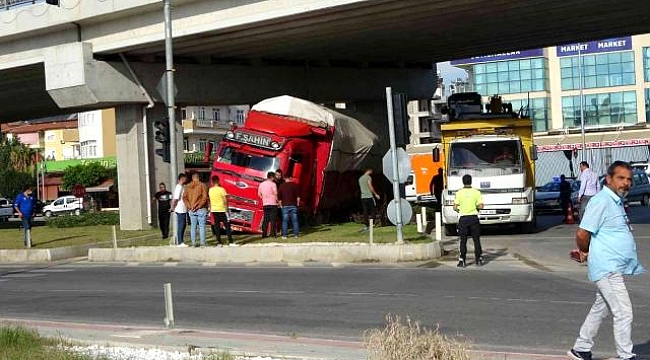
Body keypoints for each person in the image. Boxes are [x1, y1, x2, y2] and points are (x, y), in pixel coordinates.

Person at [568, 161, 645, 360]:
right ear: (609, 179)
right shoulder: (601, 200)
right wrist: (584, 251)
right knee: (624, 311)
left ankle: (581, 348)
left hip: (612, 266)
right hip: (607, 267)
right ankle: (625, 355)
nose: (626, 183)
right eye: (621, 178)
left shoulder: (615, 201)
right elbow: (583, 233)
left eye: (629, 179)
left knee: (600, 308)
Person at [454, 174, 484, 267]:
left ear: (463, 182)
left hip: (463, 218)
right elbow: (481, 206)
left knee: (463, 240)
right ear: (471, 181)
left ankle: (462, 260)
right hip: (474, 218)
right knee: (476, 240)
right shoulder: (477, 192)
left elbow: (455, 207)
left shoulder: (459, 193)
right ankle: (478, 259)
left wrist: (460, 210)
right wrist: (476, 208)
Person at [183, 172, 209, 247]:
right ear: (198, 177)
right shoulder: (202, 185)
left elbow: (184, 198)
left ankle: (193, 243)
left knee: (193, 227)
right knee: (202, 226)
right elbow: (204, 198)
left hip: (191, 209)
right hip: (201, 208)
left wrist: (190, 206)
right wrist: (198, 206)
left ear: (192, 178)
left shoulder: (187, 186)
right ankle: (202, 243)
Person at [208, 175, 233, 246]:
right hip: (222, 209)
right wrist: (227, 208)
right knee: (227, 225)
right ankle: (230, 241)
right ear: (218, 181)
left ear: (212, 182)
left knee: (217, 226)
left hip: (214, 210)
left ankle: (219, 242)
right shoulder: (222, 189)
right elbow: (225, 200)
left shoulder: (210, 190)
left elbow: (210, 199)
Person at [278, 174, 300, 239]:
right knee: (295, 221)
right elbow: (298, 197)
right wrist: (297, 204)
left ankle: (285, 235)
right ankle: (296, 235)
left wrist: (280, 205)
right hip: (293, 205)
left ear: (284, 178)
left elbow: (279, 197)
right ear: (290, 178)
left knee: (285, 221)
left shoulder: (281, 186)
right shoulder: (295, 185)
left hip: (285, 205)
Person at [358, 167, 380, 232]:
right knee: (373, 210)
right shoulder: (368, 177)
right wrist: (376, 194)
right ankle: (371, 223)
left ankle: (366, 224)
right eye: (371, 171)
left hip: (363, 196)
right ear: (369, 171)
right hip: (369, 196)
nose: (372, 172)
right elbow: (370, 187)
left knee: (365, 211)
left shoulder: (360, 178)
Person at [170, 173, 189, 247]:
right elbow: (176, 199)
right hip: (180, 209)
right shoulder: (179, 187)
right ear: (182, 179)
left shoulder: (181, 187)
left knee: (183, 225)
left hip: (183, 209)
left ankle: (181, 241)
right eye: (185, 178)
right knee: (181, 225)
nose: (186, 180)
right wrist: (172, 207)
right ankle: (180, 242)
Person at [258, 171, 278, 238]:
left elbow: (259, 194)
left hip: (265, 203)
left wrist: (264, 198)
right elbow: (275, 193)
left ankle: (264, 234)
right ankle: (272, 233)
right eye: (274, 177)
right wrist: (278, 201)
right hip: (273, 203)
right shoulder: (273, 184)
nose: (274, 178)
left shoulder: (261, 184)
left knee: (265, 219)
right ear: (272, 177)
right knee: (273, 219)